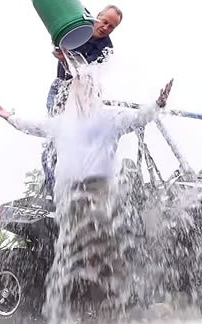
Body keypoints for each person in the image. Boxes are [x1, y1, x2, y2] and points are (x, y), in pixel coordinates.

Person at [0, 71, 173, 323]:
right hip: (69, 194)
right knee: (82, 252)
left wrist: (157, 105)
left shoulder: (111, 118)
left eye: (89, 89)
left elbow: (139, 118)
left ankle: (110, 313)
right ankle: (85, 314)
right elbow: (33, 126)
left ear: (97, 94)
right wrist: (10, 117)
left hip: (99, 191)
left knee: (105, 251)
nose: (84, 95)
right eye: (78, 90)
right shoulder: (62, 123)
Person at [40, 5, 123, 198]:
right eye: (105, 21)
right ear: (98, 16)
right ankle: (52, 189)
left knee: (83, 138)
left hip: (84, 96)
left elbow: (82, 73)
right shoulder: (79, 21)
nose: (105, 28)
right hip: (60, 89)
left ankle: (86, 185)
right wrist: (60, 51)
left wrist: (64, 59)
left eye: (111, 27)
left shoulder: (106, 49)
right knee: (54, 137)